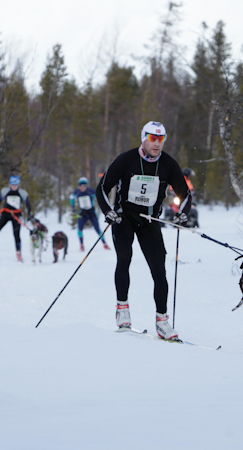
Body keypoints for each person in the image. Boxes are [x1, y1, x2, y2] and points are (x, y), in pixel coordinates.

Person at [96, 121, 192, 339]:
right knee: (124, 259)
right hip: (124, 218)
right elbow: (102, 188)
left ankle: (162, 322)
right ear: (143, 138)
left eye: (161, 139)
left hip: (149, 220)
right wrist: (108, 211)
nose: (157, 143)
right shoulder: (126, 159)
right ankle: (123, 311)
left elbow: (186, 195)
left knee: (159, 270)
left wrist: (182, 213)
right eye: (152, 138)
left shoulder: (168, 164)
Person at [70, 177, 110, 252]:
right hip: (82, 213)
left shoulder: (91, 191)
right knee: (80, 229)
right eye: (80, 186)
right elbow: (72, 197)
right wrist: (73, 207)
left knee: (97, 229)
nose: (82, 187)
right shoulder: (77, 192)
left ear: (86, 186)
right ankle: (81, 245)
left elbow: (100, 195)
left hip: (91, 212)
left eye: (84, 186)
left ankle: (104, 243)